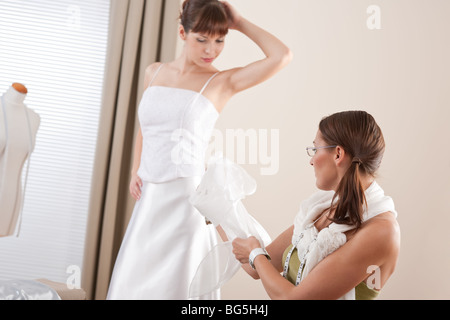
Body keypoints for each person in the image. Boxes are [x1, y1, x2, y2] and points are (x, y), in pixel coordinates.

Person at [106, 0, 292, 300]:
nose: (211, 50)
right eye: (202, 39)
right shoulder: (153, 72)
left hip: (187, 201)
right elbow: (147, 126)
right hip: (150, 198)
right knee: (133, 284)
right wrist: (135, 169)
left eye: (220, 40)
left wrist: (240, 22)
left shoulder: (221, 82)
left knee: (175, 288)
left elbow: (282, 55)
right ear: (182, 32)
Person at [232, 110, 400, 300]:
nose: (311, 161)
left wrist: (255, 254)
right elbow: (258, 267)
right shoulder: (321, 210)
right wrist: (215, 207)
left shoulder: (382, 231)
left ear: (338, 154)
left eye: (315, 150)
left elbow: (293, 298)